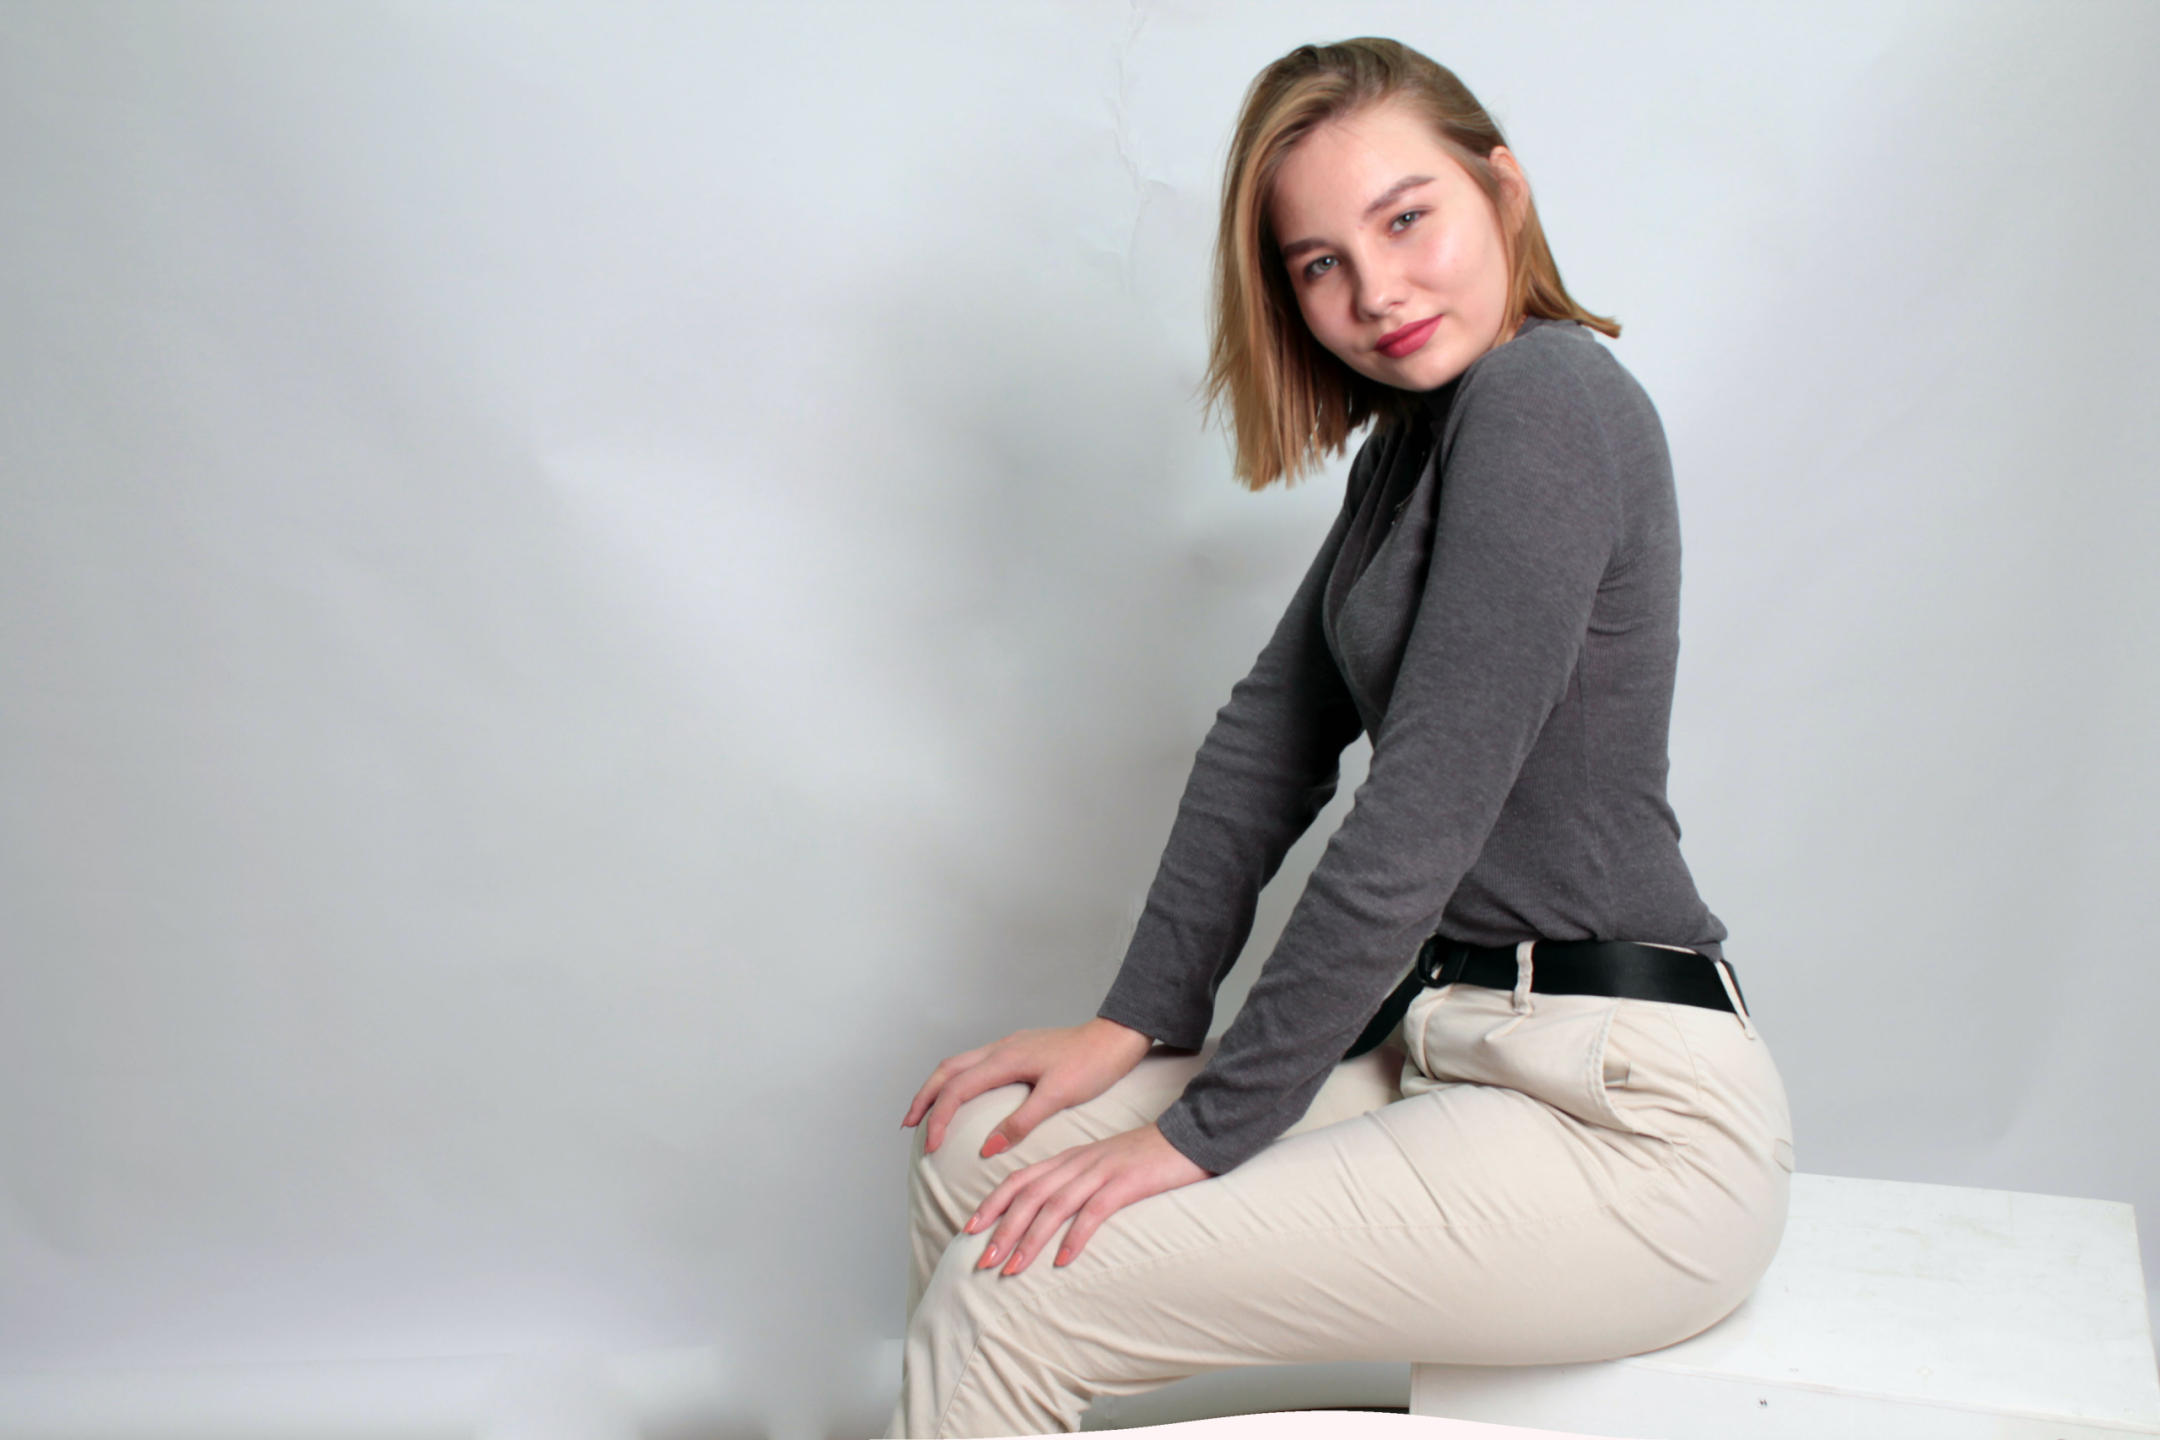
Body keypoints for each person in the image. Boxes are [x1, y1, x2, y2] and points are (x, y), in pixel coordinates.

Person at [885, 36, 1795, 1439]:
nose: (1375, 291)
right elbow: (1270, 741)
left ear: (1504, 190)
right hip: (1450, 1048)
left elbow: (1422, 806)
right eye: (1321, 262)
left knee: (1020, 1292)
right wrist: (1133, 1024)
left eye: (1407, 218)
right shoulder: (1410, 449)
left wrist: (1206, 1131)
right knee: (972, 1167)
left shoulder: (1546, 399)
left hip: (1621, 1119)